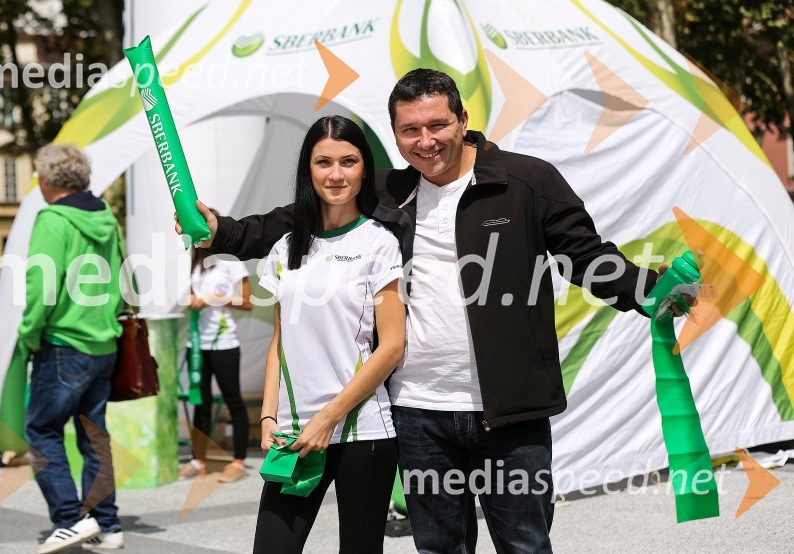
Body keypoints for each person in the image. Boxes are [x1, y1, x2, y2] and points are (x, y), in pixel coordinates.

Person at [177, 70, 687, 553]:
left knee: (525, 545)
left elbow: (587, 257)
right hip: (419, 413)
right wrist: (219, 231)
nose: (426, 141)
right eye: (409, 131)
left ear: (463, 120)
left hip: (509, 413)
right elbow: (297, 217)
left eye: (437, 125)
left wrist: (649, 291)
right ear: (395, 135)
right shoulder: (387, 192)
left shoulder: (526, 182)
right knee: (440, 547)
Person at [251, 115, 405, 553]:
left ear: (363, 169)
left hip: (362, 431)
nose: (336, 174)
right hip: (295, 432)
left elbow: (392, 345)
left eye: (348, 161)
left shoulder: (380, 243)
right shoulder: (285, 247)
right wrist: (267, 416)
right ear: (308, 169)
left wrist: (328, 418)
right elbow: (279, 342)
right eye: (323, 162)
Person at [21, 144, 124, 553]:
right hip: (104, 344)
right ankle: (108, 525)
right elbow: (120, 277)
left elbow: (41, 284)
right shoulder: (105, 216)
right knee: (93, 436)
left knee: (42, 430)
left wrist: (30, 334)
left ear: (48, 180)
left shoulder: (52, 218)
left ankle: (70, 519)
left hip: (63, 342)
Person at [179, 216, 253, 483]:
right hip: (197, 343)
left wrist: (213, 299)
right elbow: (192, 294)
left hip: (224, 343)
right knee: (201, 402)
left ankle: (239, 461)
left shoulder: (231, 260)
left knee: (233, 400)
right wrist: (191, 299)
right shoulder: (196, 260)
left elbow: (247, 302)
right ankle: (198, 459)